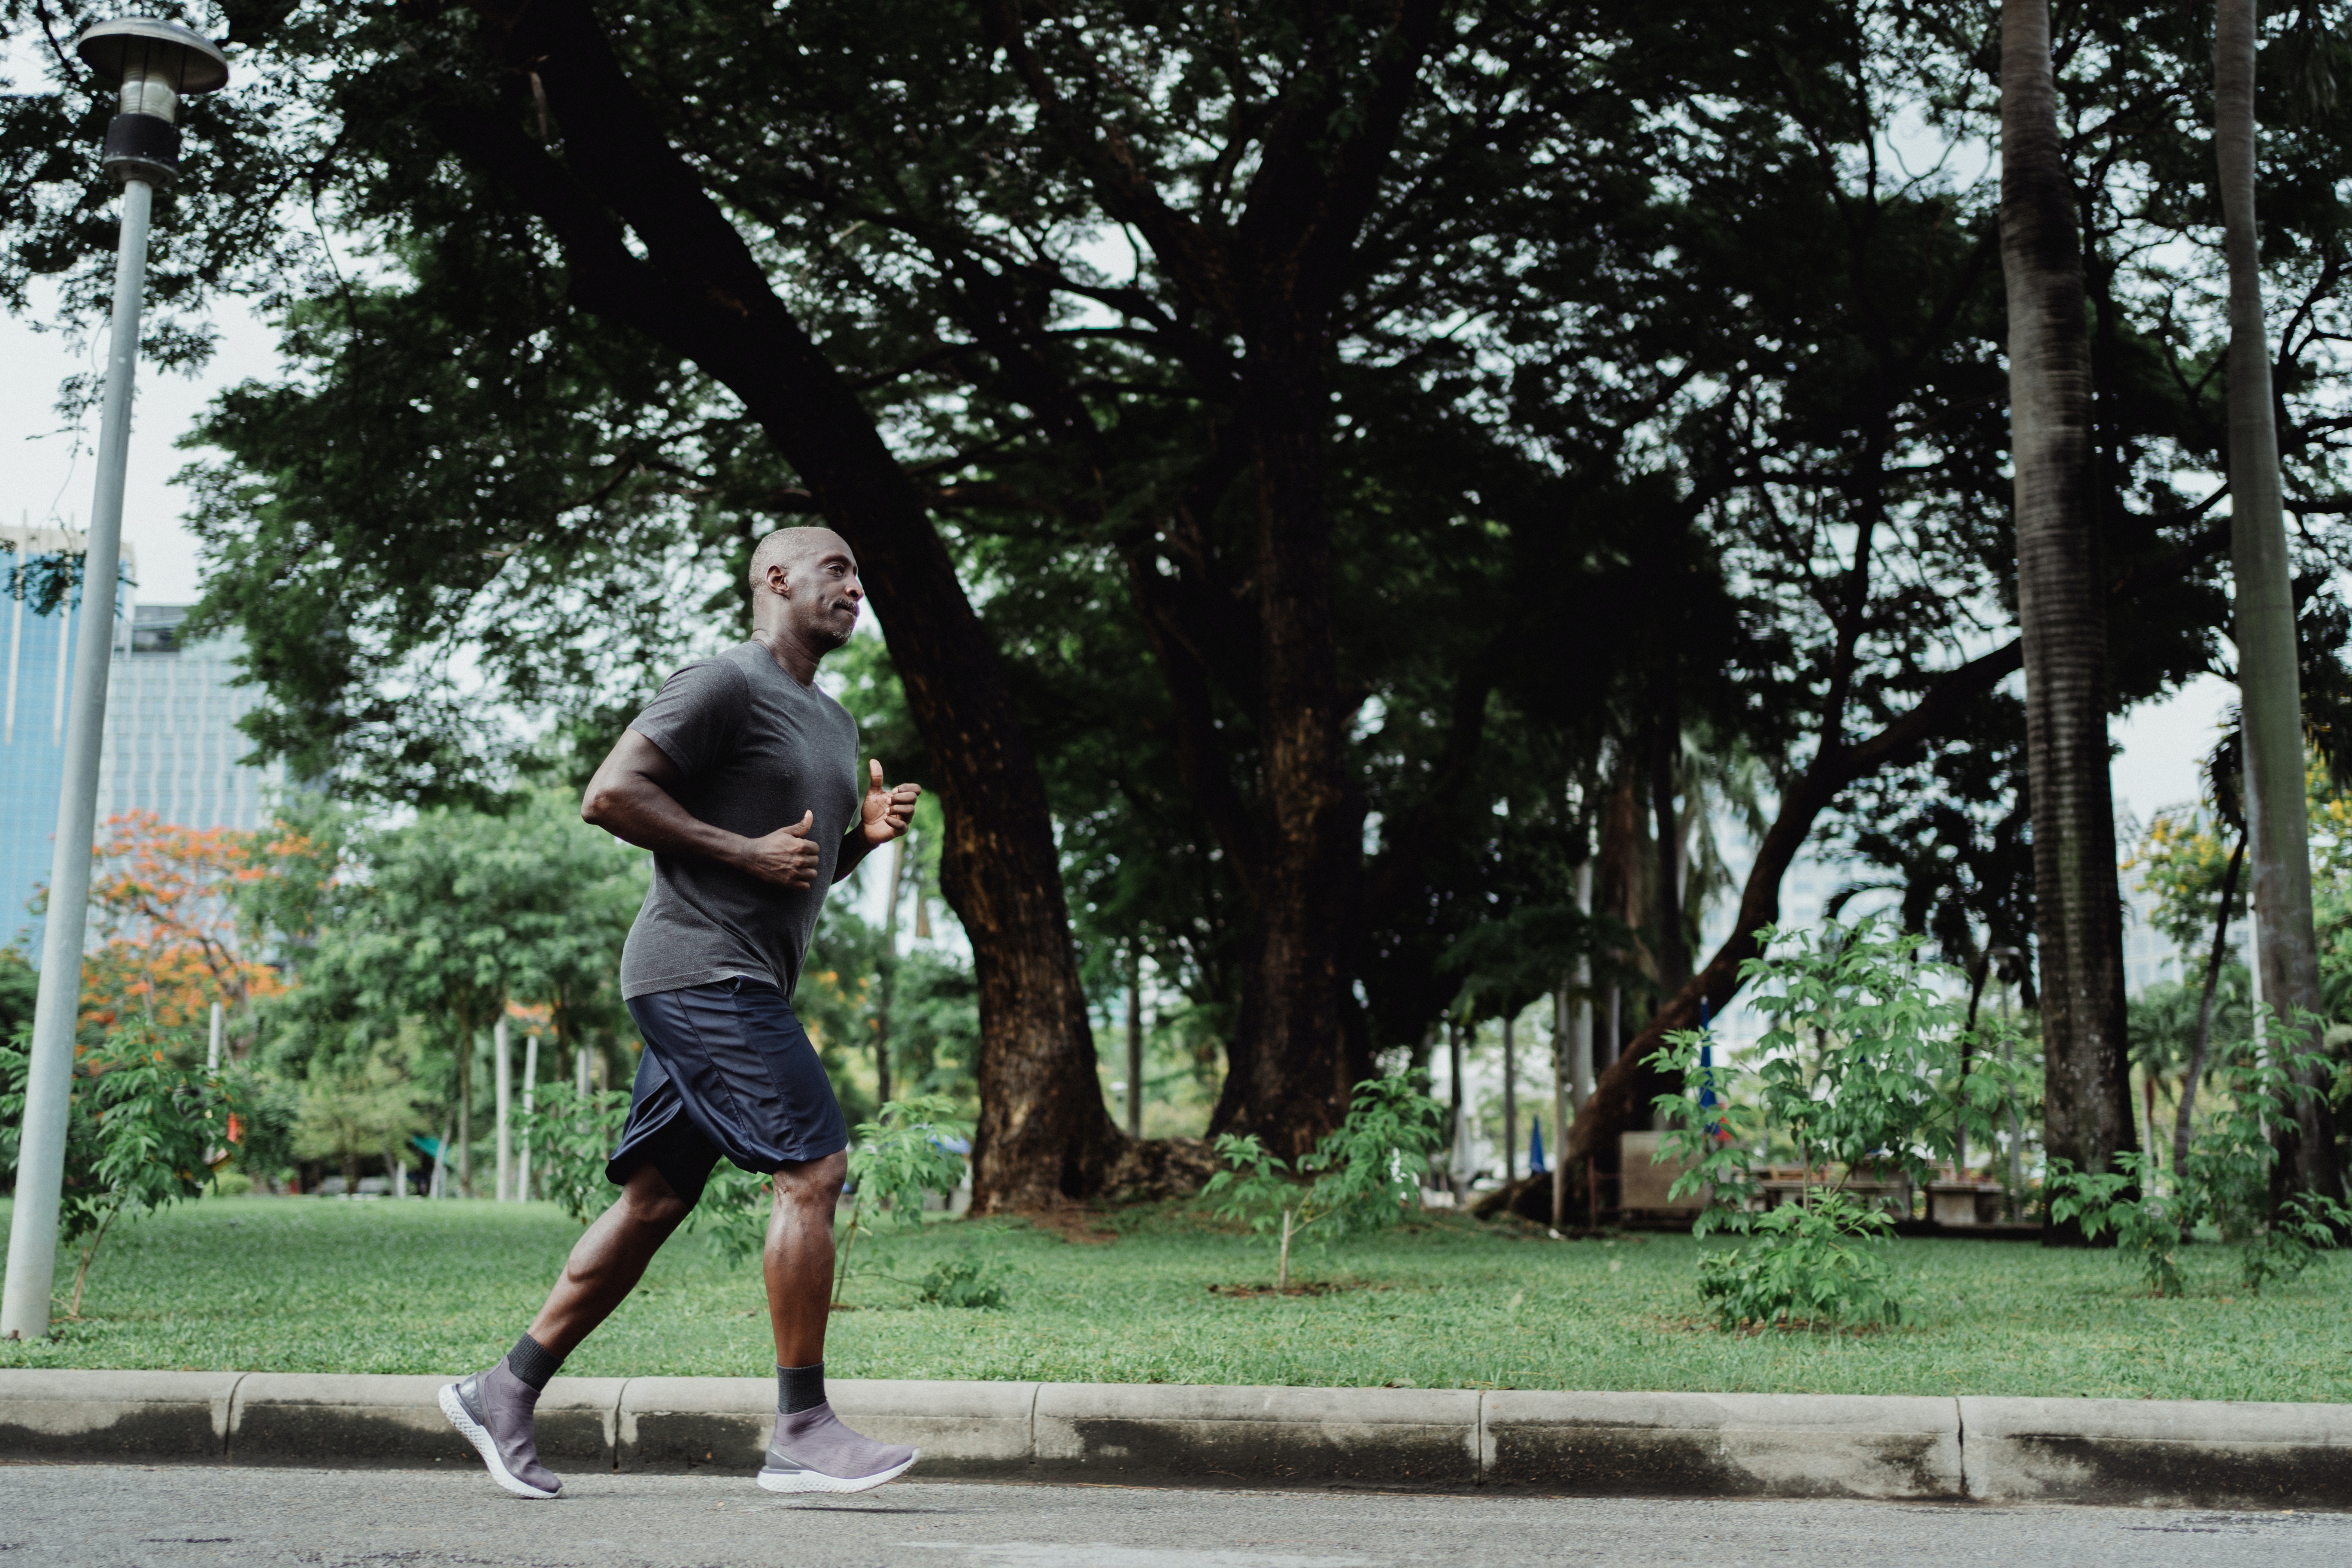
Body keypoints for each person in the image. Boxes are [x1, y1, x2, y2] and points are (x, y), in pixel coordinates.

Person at [439, 526, 923, 1500]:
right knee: (812, 1168)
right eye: (838, 569)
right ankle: (801, 1428)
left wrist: (860, 842)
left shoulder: (831, 722)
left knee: (656, 1201)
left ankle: (502, 1389)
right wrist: (743, 854)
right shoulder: (723, 683)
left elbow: (798, 866)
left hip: (737, 977)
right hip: (699, 973)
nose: (855, 588)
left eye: (860, 574)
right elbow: (611, 795)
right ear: (776, 579)